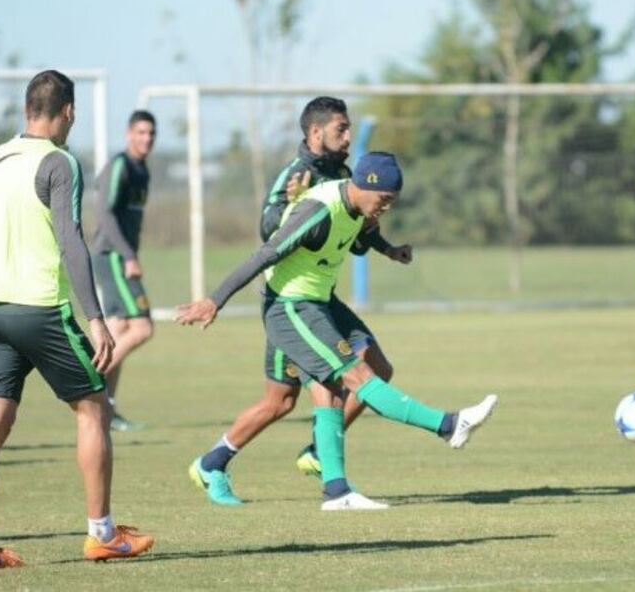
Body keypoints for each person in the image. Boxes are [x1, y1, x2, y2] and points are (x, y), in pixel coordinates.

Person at [177, 152, 497, 510]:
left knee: (289, 399)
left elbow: (363, 235)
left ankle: (324, 486)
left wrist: (389, 250)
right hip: (291, 307)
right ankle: (449, 425)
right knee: (359, 375)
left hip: (319, 303)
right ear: (364, 186)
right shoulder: (317, 209)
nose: (387, 208)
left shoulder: (358, 206)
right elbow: (265, 254)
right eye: (385, 199)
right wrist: (214, 301)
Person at [0, 70, 154, 572]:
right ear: (68, 111)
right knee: (94, 407)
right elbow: (71, 240)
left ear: (28, 109)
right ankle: (102, 534)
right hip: (38, 308)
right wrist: (95, 318)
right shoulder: (59, 161)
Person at [184, 97, 411, 507]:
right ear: (315, 132)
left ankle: (296, 456)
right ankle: (219, 463)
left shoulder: (345, 174)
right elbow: (269, 228)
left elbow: (356, 237)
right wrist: (293, 202)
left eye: (348, 128)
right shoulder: (297, 173)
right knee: (288, 399)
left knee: (348, 376)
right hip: (290, 299)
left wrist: (385, 247)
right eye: (341, 128)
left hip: (319, 298)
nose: (347, 135)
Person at [91, 110, 157, 431]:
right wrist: (129, 255)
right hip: (113, 256)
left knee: (117, 333)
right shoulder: (120, 165)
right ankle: (89, 384)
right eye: (141, 132)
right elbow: (103, 213)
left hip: (120, 256)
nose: (146, 139)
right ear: (129, 134)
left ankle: (107, 410)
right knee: (143, 328)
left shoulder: (142, 170)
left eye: (151, 134)